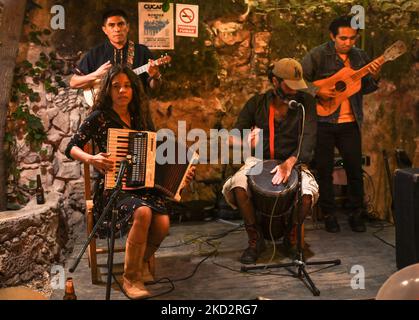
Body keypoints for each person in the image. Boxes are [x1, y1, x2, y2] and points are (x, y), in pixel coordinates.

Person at [65, 65, 194, 299]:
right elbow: (70, 147)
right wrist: (91, 158)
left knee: (163, 224)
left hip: (143, 187)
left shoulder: (140, 117)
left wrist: (182, 175)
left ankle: (139, 260)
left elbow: (155, 152)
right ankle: (131, 278)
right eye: (116, 86)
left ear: (134, 89)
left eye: (127, 86)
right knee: (143, 213)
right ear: (108, 90)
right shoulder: (99, 117)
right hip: (114, 188)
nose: (122, 91)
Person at [222, 58, 319, 264]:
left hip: (295, 161)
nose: (294, 91)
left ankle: (291, 240)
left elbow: (309, 140)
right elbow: (232, 137)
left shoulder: (306, 104)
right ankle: (255, 241)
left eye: (297, 86)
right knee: (239, 185)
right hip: (258, 161)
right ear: (274, 81)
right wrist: (246, 142)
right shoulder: (256, 103)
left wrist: (289, 163)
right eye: (288, 86)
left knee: (307, 195)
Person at [301, 15, 381, 233]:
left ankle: (356, 213)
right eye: (343, 38)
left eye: (352, 38)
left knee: (354, 170)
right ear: (332, 36)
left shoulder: (360, 57)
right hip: (323, 122)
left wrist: (375, 75)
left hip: (350, 123)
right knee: (324, 170)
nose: (348, 43)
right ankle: (329, 215)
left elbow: (366, 88)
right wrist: (318, 90)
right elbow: (297, 81)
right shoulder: (318, 54)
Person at [70, 9, 161, 91]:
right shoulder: (95, 53)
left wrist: (155, 76)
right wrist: (96, 75)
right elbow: (73, 83)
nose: (117, 29)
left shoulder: (142, 51)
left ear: (127, 27)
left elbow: (154, 87)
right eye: (111, 25)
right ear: (105, 30)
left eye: (120, 24)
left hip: (135, 106)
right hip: (104, 107)